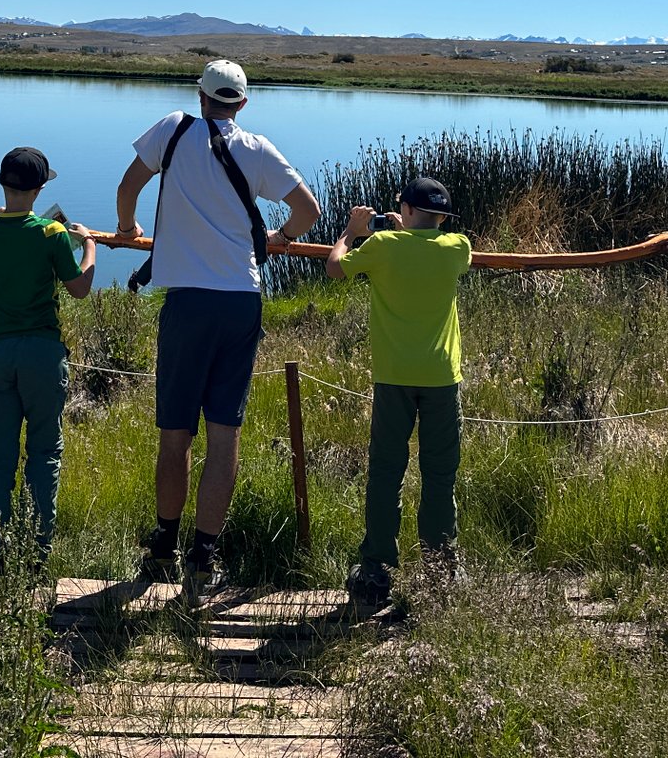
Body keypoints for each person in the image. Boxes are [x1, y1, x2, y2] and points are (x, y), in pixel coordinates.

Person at [115, 59, 321, 594]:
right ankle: (203, 558)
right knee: (224, 434)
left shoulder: (172, 129)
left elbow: (128, 186)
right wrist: (280, 237)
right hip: (240, 302)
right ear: (242, 104)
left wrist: (127, 229)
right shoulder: (257, 148)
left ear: (200, 96)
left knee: (175, 434)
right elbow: (308, 210)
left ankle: (163, 546)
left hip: (187, 304)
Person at [324, 175, 470, 607]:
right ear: (443, 217)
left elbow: (335, 267)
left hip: (393, 377)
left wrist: (350, 232)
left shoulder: (384, 246)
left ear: (405, 209)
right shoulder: (457, 248)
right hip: (441, 377)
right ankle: (441, 566)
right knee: (440, 474)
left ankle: (377, 567)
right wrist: (407, 228)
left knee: (386, 473)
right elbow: (427, 244)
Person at [0, 145, 96, 565]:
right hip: (42, 355)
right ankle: (36, 552)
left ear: (2, 184)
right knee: (43, 453)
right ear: (40, 189)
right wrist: (89, 244)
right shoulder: (52, 233)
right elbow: (79, 289)